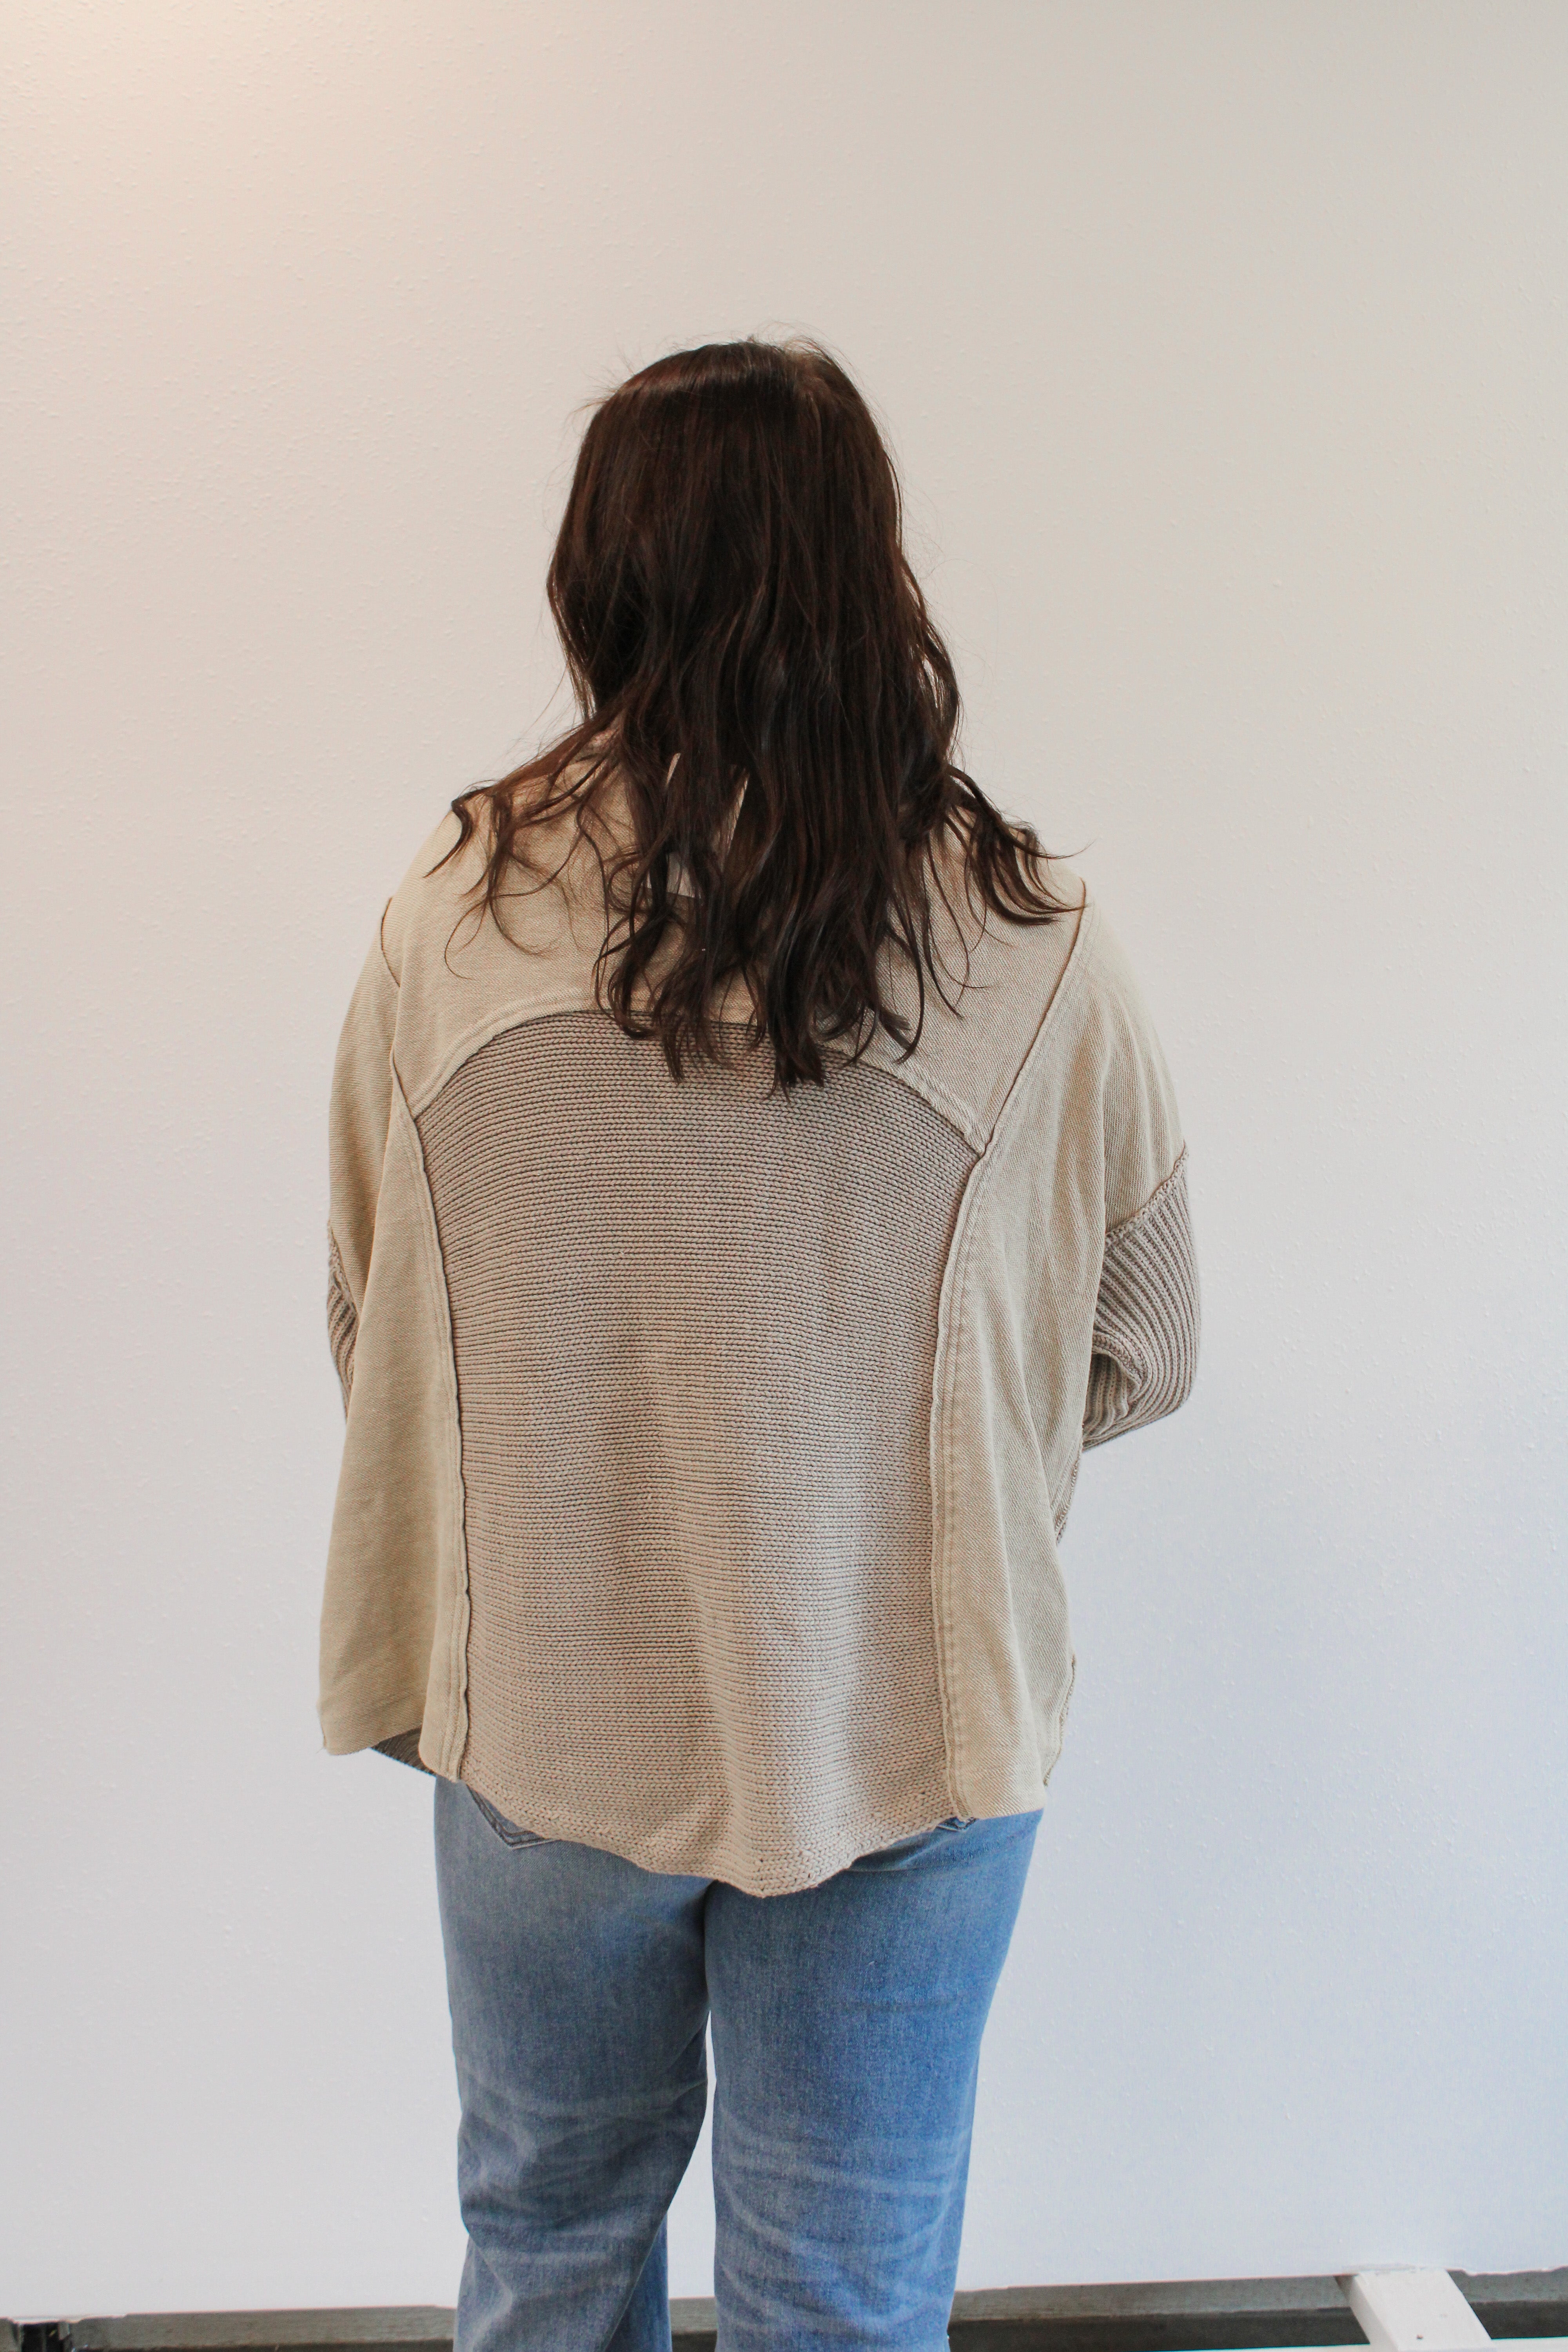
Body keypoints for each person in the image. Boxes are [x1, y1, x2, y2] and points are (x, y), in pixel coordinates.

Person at [318, 336, 1200, 2352]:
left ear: (600, 576)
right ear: (866, 569)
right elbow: (1145, 1340)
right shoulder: (1030, 940)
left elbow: (373, 1320)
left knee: (548, 2250)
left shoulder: (447, 920)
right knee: (844, 2298)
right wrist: (898, 1454)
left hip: (546, 1714)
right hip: (904, 1722)